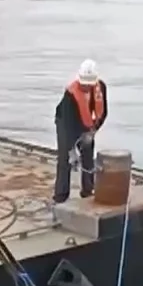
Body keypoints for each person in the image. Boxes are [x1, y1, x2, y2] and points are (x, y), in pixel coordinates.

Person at [53, 59, 108, 203]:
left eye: (88, 84)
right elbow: (67, 125)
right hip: (66, 121)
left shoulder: (100, 88)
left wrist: (92, 132)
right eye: (83, 83)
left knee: (88, 154)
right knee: (65, 160)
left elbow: (103, 113)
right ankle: (60, 197)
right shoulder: (70, 94)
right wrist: (71, 149)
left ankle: (87, 191)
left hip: (86, 122)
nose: (85, 86)